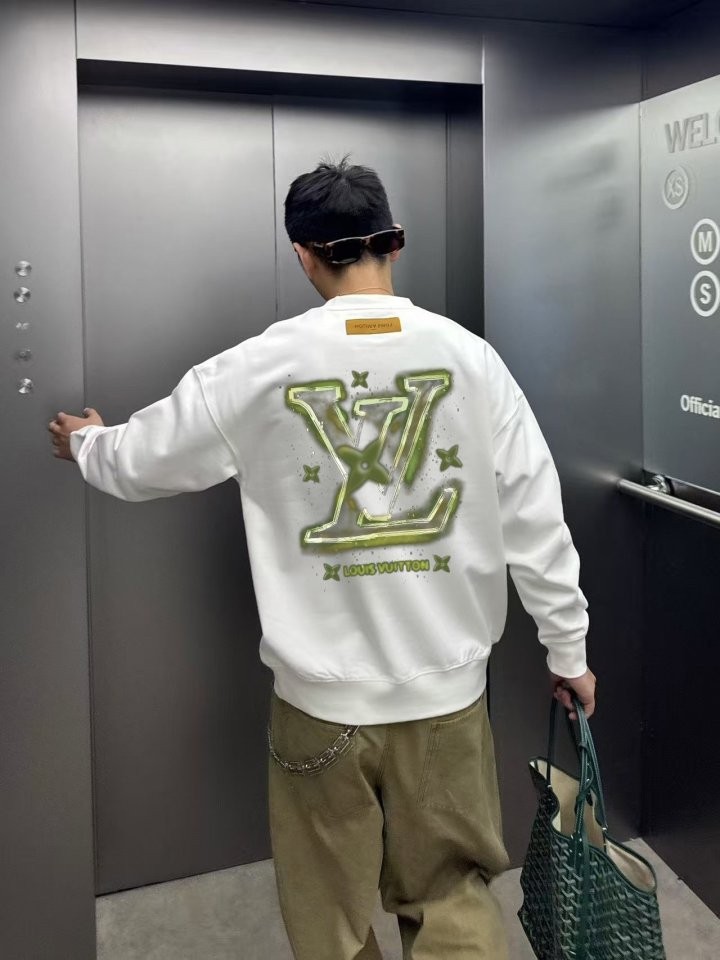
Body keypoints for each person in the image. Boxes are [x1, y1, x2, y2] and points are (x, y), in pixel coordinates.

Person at [49, 158, 595, 960]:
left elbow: (141, 460)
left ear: (304, 254)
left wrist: (87, 443)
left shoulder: (256, 367)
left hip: (320, 707)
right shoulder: (473, 362)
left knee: (329, 922)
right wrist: (568, 651)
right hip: (446, 698)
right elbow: (537, 521)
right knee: (452, 899)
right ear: (393, 243)